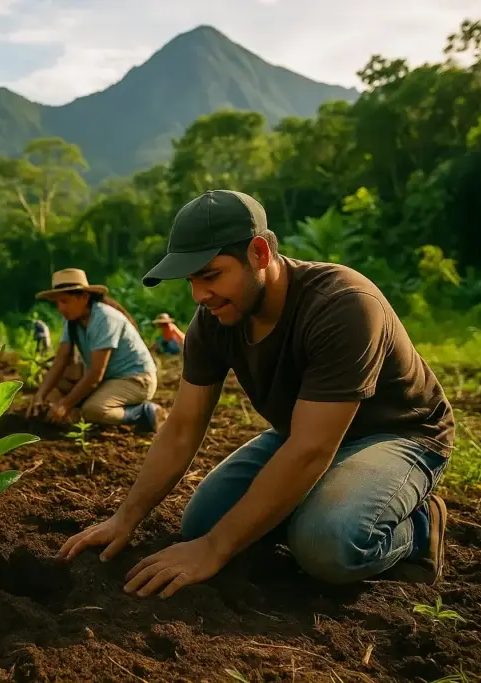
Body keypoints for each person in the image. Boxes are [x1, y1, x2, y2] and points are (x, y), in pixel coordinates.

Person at [59, 189, 454, 597]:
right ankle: (315, 500)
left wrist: (214, 550)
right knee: (203, 523)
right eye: (192, 280)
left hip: (397, 434)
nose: (199, 295)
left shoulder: (342, 305)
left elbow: (310, 450)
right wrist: (126, 518)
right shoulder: (213, 321)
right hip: (303, 432)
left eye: (211, 275)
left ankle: (421, 529)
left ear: (260, 253)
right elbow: (182, 428)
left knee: (326, 544)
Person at [27, 268, 161, 433]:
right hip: (107, 379)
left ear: (84, 297)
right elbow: (60, 360)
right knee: (52, 394)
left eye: (64, 301)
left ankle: (143, 412)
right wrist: (39, 395)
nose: (60, 309)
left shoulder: (105, 319)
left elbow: (96, 373)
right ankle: (74, 414)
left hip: (134, 379)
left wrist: (65, 404)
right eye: (57, 303)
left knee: (94, 410)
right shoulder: (72, 321)